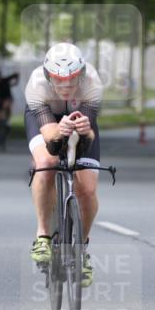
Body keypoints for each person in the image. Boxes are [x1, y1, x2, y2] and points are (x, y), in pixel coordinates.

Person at [26, 43, 103, 287]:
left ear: (81, 74)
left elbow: (87, 135)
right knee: (46, 163)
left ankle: (81, 249)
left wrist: (83, 131)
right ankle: (42, 236)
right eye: (59, 80)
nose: (66, 87)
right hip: (47, 119)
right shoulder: (36, 84)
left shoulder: (93, 83)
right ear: (49, 76)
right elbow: (50, 139)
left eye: (71, 80)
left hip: (81, 121)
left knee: (88, 189)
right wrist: (59, 132)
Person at [0, 69, 20, 151]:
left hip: (7, 99)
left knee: (6, 107)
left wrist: (15, 83)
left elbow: (16, 74)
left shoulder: (5, 80)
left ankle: (6, 122)